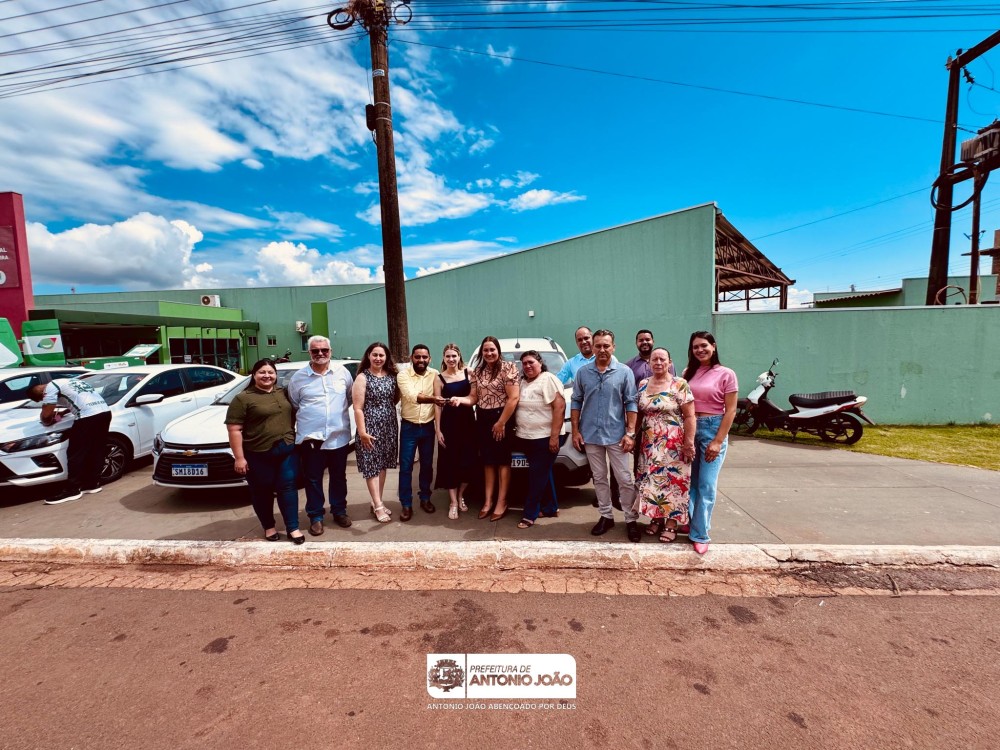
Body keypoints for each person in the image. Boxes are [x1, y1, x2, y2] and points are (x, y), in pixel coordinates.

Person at [570, 329, 642, 542]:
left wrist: (630, 433)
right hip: (591, 435)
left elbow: (631, 402)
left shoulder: (624, 372)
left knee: (624, 479)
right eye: (598, 346)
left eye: (606, 345)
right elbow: (576, 401)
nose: (602, 349)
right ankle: (606, 516)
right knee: (599, 478)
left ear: (613, 347)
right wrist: (575, 431)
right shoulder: (583, 373)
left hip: (617, 435)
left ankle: (630, 519)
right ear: (592, 348)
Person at [225, 359, 304, 544]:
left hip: (286, 450)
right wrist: (239, 458)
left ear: (276, 375)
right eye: (262, 372)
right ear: (254, 375)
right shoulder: (243, 398)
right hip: (257, 454)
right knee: (262, 491)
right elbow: (234, 429)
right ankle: (269, 527)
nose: (267, 376)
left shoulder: (283, 393)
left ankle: (293, 528)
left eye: (270, 372)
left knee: (288, 488)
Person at [287, 335, 354, 536]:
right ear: (309, 352)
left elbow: (349, 398)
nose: (320, 353)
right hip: (311, 439)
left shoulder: (342, 373)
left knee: (338, 477)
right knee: (313, 479)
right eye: (315, 351)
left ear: (330, 351)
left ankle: (339, 511)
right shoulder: (298, 378)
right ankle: (316, 517)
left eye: (324, 350)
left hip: (338, 437)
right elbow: (295, 404)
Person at [681, 331, 739, 555]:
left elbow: (731, 411)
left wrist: (718, 441)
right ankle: (692, 522)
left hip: (713, 428)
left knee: (706, 484)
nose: (700, 350)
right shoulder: (687, 373)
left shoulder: (726, 373)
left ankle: (700, 534)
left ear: (713, 346)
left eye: (704, 345)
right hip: (690, 429)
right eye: (695, 347)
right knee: (690, 483)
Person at [450, 336, 519, 521]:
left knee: (502, 461)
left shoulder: (509, 368)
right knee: (488, 461)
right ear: (482, 352)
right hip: (482, 418)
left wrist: (501, 422)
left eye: (492, 349)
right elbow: (473, 398)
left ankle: (502, 502)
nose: (489, 353)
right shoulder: (478, 371)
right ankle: (488, 501)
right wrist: (459, 399)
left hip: (502, 418)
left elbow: (513, 398)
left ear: (498, 350)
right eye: (486, 350)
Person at [634, 348, 696, 543]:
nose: (658, 362)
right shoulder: (643, 384)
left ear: (670, 362)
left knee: (673, 482)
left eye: (662, 359)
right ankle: (657, 517)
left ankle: (672, 522)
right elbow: (640, 414)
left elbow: (690, 416)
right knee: (652, 481)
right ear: (649, 363)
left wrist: (689, 443)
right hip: (649, 444)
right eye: (654, 359)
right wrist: (631, 436)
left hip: (674, 444)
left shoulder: (679, 384)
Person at [27, 378, 111, 505]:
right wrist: (65, 411)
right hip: (104, 413)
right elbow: (80, 399)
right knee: (96, 449)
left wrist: (47, 420)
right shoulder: (69, 381)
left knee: (75, 453)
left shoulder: (50, 387)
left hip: (87, 417)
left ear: (41, 394)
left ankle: (72, 490)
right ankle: (92, 483)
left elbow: (46, 415)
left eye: (41, 399)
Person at [514, 350, 565, 529]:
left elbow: (559, 407)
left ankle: (530, 514)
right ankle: (551, 508)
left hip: (544, 437)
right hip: (526, 436)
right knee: (543, 473)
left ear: (540, 363)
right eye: (524, 363)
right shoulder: (522, 382)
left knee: (536, 477)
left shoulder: (548, 379)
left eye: (531, 362)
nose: (527, 366)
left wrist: (554, 437)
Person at [352, 341, 399, 524]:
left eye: (381, 355)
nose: (378, 358)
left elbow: (394, 399)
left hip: (388, 427)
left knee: (382, 465)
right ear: (368, 356)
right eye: (375, 355)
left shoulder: (392, 376)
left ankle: (376, 500)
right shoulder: (362, 377)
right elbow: (357, 408)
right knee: (371, 466)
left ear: (386, 357)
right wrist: (362, 432)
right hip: (369, 428)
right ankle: (378, 506)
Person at [396, 344, 441, 521]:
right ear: (411, 358)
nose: (421, 360)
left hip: (428, 427)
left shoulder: (435, 374)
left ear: (429, 358)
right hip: (409, 427)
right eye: (417, 357)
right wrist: (435, 399)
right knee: (406, 466)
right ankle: (406, 504)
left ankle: (425, 498)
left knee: (427, 465)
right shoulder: (403, 375)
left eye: (424, 357)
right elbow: (412, 396)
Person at [433, 343, 477, 520]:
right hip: (448, 425)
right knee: (450, 463)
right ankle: (452, 502)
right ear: (443, 358)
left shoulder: (469, 373)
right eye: (448, 356)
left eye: (454, 356)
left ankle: (460, 496)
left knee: (468, 462)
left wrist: (461, 399)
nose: (451, 359)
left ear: (459, 357)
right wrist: (438, 430)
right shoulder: (439, 378)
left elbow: (474, 398)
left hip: (467, 424)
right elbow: (437, 405)